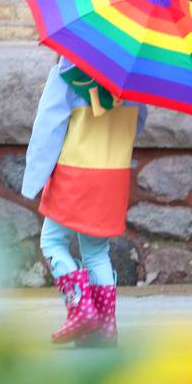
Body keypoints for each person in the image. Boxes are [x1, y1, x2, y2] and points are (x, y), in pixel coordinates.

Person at [21, 56, 147, 347]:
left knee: (52, 242)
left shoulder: (66, 73)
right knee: (96, 252)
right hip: (112, 175)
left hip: (75, 173)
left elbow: (47, 129)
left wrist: (34, 179)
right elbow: (138, 124)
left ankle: (80, 308)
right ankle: (103, 330)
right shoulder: (131, 83)